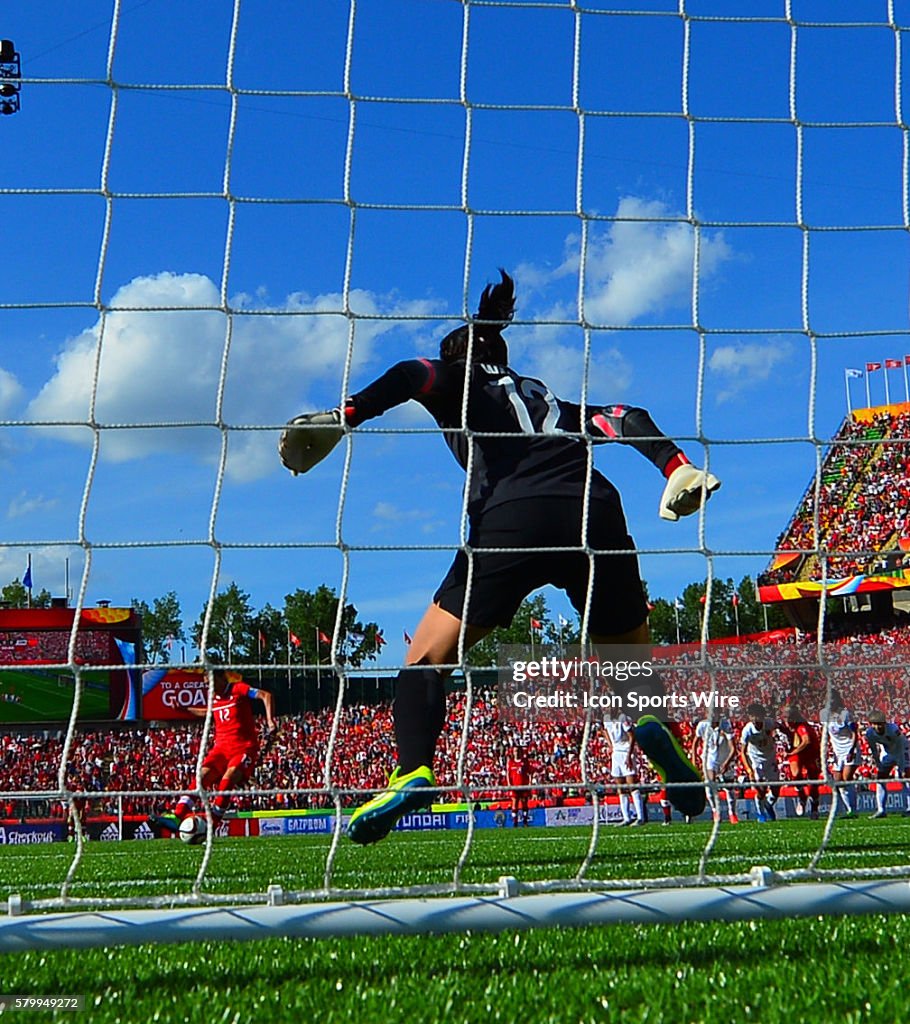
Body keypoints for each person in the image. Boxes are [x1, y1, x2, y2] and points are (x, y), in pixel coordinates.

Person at [279, 269, 720, 845]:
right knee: (628, 662)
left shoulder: (455, 378)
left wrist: (346, 416)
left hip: (513, 514)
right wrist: (673, 465)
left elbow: (413, 373)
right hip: (594, 507)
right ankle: (657, 728)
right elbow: (623, 415)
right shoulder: (546, 397)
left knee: (425, 659)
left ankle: (412, 768)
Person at [148, 669, 276, 835]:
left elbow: (266, 696)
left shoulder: (238, 689)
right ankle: (177, 816)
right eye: (207, 685)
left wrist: (270, 721)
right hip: (221, 749)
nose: (209, 687)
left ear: (222, 678)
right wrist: (184, 709)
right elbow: (207, 712)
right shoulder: (214, 698)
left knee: (227, 780)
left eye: (211, 683)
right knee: (201, 778)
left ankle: (211, 825)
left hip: (243, 748)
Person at [693, 712, 739, 824]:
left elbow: (733, 747)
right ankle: (715, 811)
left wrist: (727, 763)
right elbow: (695, 743)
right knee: (709, 784)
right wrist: (695, 760)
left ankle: (732, 813)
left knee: (729, 787)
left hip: (725, 757)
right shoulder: (702, 726)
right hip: (710, 759)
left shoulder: (725, 724)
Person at [864, 709, 910, 819]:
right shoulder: (869, 733)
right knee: (880, 779)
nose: (879, 727)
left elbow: (900, 746)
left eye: (881, 724)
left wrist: (902, 767)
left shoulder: (893, 729)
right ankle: (881, 810)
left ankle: (909, 808)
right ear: (871, 725)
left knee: (905, 778)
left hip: (903, 750)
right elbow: (874, 750)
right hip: (887, 753)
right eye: (876, 724)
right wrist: (878, 764)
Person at [739, 702, 780, 822]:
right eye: (753, 716)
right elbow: (742, 751)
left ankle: (768, 805)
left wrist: (786, 736)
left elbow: (781, 727)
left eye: (758, 716)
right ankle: (760, 814)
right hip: (756, 761)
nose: (755, 719)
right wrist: (749, 769)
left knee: (776, 791)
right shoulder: (747, 730)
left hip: (770, 759)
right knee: (761, 791)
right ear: (750, 717)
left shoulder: (769, 723)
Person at [781, 704, 821, 820]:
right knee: (795, 774)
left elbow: (806, 741)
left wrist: (793, 752)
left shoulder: (802, 726)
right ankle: (801, 797)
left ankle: (814, 807)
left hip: (810, 754)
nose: (786, 720)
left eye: (788, 717)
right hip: (798, 753)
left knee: (814, 783)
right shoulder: (787, 726)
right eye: (785, 717)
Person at [824, 689, 859, 818]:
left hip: (849, 749)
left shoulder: (845, 714)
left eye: (832, 699)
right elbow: (826, 735)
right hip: (837, 752)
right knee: (838, 782)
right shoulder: (824, 714)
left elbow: (855, 733)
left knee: (846, 779)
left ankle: (853, 810)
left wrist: (852, 750)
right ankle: (848, 809)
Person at [605, 712, 644, 826]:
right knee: (620, 787)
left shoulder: (623, 718)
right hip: (616, 754)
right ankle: (626, 818)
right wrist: (610, 745)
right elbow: (604, 730)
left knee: (632, 785)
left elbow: (632, 735)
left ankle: (640, 817)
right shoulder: (606, 718)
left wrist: (629, 755)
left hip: (625, 752)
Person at [505, 746, 532, 827]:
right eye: (515, 751)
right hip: (514, 787)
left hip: (523, 786)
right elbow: (508, 774)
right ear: (513, 752)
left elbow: (529, 772)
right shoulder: (511, 762)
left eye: (518, 751)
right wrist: (509, 784)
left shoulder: (524, 761)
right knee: (514, 804)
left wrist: (530, 783)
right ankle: (515, 822)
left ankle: (525, 821)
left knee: (524, 804)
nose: (517, 753)